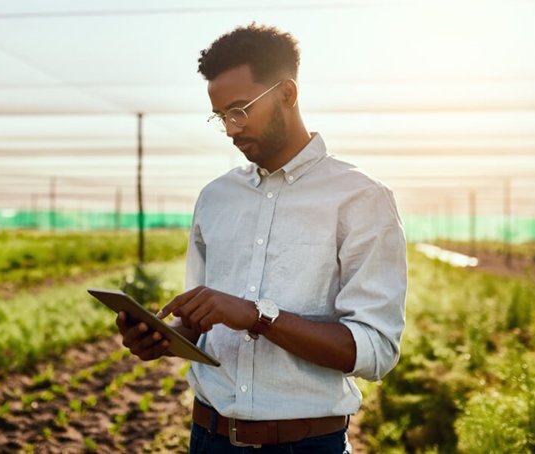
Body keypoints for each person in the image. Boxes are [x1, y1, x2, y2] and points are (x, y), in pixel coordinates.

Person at [117, 23, 407, 453]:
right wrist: (167, 337)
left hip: (305, 445)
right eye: (221, 117)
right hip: (208, 439)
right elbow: (204, 328)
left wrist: (257, 316)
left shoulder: (361, 199)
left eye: (239, 110)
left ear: (287, 94)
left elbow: (375, 350)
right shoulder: (215, 198)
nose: (231, 130)